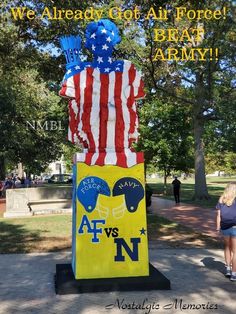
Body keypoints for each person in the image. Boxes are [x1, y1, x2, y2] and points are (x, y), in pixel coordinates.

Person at [216, 182, 236, 281]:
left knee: (227, 247)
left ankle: (228, 268)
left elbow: (218, 216)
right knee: (235, 251)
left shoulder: (221, 199)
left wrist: (217, 227)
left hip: (224, 227)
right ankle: (234, 274)